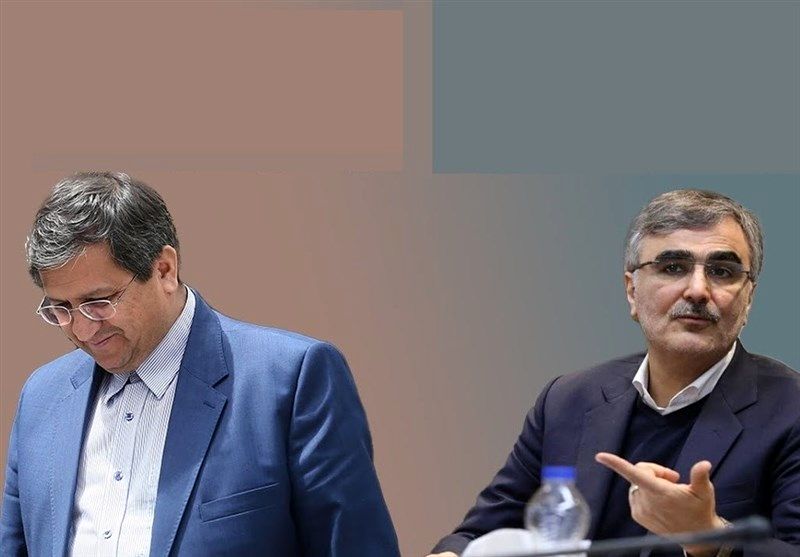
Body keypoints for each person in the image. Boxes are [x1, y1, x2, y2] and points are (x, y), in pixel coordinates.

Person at [0, 171, 400, 556]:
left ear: (164, 269)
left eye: (98, 302)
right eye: (61, 309)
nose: (82, 330)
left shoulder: (292, 381)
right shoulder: (42, 397)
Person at [429, 190, 800, 557]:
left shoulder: (790, 410)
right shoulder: (568, 400)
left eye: (721, 272)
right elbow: (481, 533)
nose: (698, 290)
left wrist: (712, 538)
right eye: (673, 267)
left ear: (748, 298)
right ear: (631, 291)